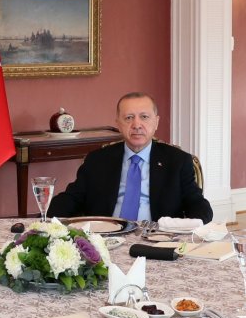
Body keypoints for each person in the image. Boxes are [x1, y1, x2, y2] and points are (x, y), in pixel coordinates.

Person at [47, 92, 213, 224]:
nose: (137, 125)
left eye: (144, 117)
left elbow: (197, 204)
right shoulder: (97, 160)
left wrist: (189, 228)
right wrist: (47, 216)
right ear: (118, 123)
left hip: (158, 241)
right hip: (106, 240)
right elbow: (72, 198)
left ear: (156, 122)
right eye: (128, 118)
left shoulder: (178, 161)